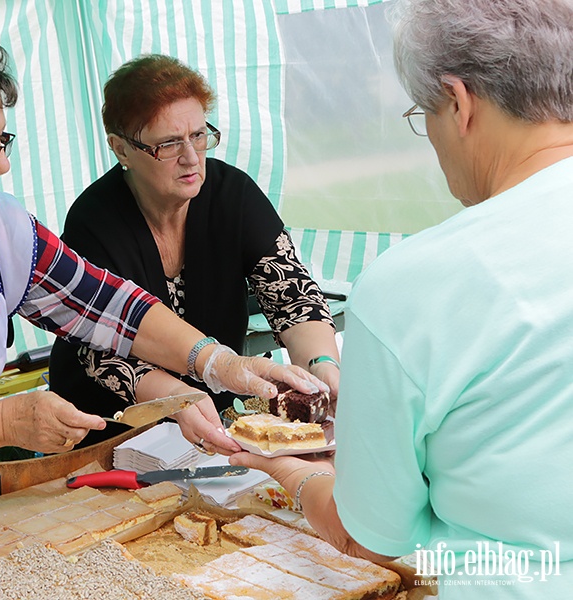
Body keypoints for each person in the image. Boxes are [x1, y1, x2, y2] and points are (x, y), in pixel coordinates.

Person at [0, 25, 327, 524]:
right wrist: (7, 423)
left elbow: (105, 304)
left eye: (3, 141)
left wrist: (219, 363)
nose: (1, 164)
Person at [230, 0, 573, 597]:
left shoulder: (413, 285)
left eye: (424, 115)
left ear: (459, 102)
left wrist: (287, 469)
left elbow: (373, 538)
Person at [49, 54, 340, 454]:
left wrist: (322, 367)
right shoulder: (93, 221)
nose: (190, 157)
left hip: (215, 420)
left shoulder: (232, 196)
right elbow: (99, 350)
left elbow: (292, 296)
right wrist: (177, 398)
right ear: (121, 149)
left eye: (199, 136)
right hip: (108, 430)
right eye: (168, 144)